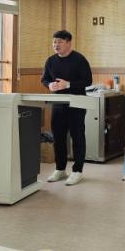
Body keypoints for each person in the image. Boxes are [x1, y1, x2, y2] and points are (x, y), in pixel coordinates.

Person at [41, 30, 92, 186]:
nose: (56, 45)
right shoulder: (50, 61)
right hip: (58, 104)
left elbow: (88, 81)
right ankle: (60, 169)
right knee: (58, 138)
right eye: (54, 42)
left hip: (77, 103)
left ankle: (77, 171)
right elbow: (44, 79)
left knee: (77, 137)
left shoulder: (79, 59)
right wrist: (49, 85)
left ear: (69, 43)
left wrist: (68, 84)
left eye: (60, 42)